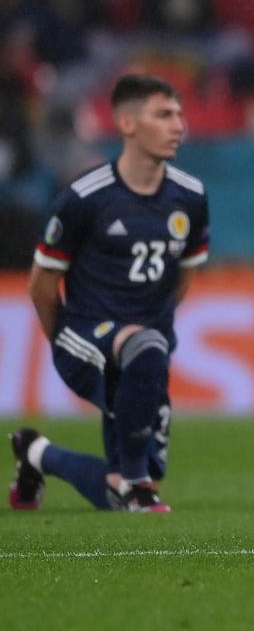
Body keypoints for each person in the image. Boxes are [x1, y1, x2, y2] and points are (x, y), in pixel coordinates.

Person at [8, 74, 209, 514]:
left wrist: (152, 327)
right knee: (139, 482)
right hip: (83, 336)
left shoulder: (190, 197)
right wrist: (64, 339)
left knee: (116, 492)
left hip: (145, 354)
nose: (178, 125)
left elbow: (184, 275)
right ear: (127, 123)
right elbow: (41, 284)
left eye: (178, 114)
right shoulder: (85, 197)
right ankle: (138, 485)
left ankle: (36, 453)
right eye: (163, 115)